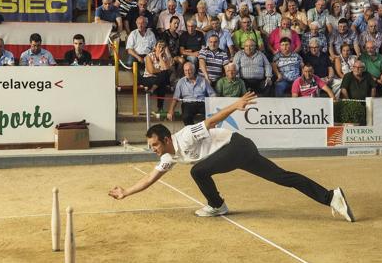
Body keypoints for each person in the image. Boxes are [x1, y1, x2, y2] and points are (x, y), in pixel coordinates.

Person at [108, 93, 355, 223]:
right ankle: (331, 197)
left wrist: (236, 105)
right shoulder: (168, 158)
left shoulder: (184, 136)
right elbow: (151, 178)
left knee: (198, 171)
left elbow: (211, 121)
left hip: (236, 146)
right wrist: (126, 192)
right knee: (282, 177)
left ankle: (217, 206)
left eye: (154, 145)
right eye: (151, 146)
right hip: (237, 154)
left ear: (166, 139)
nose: (152, 149)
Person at [141, 39, 172, 112]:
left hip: (158, 79)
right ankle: (160, 108)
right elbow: (151, 71)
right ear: (155, 47)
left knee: (162, 80)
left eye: (163, 47)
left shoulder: (165, 57)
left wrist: (161, 58)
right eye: (159, 46)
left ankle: (152, 89)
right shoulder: (149, 56)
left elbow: (166, 69)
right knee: (163, 80)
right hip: (148, 78)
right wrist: (161, 70)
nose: (161, 49)